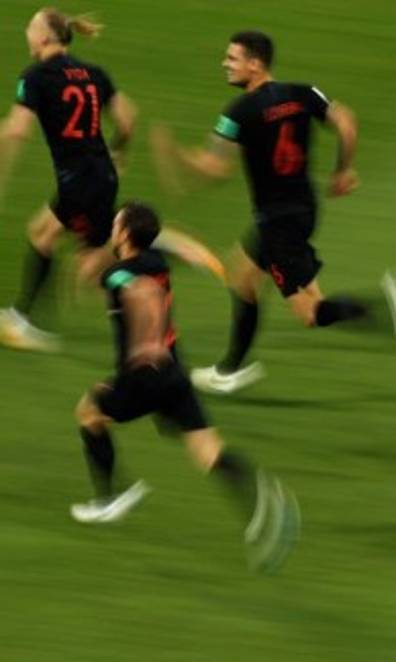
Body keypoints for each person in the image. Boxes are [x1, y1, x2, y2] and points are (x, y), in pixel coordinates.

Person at [151, 30, 396, 394]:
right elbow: (346, 121)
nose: (225, 64)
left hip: (277, 223)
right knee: (242, 277)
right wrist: (343, 170)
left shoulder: (238, 112)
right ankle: (231, 369)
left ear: (255, 64)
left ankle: (393, 310)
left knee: (311, 313)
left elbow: (215, 169)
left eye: (232, 58)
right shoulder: (303, 93)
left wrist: (175, 153)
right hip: (303, 208)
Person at [73, 201, 297, 574]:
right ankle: (259, 498)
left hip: (144, 376)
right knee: (208, 451)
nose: (111, 227)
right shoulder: (157, 260)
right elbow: (169, 244)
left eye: (116, 223)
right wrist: (199, 255)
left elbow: (138, 293)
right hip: (175, 374)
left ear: (126, 234)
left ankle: (111, 498)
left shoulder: (119, 276)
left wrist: (141, 351)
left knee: (88, 413)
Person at [0, 7, 135, 352]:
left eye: (30, 27)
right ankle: (22, 317)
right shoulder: (94, 73)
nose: (26, 33)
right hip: (100, 175)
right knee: (51, 239)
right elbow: (128, 119)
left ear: (45, 37)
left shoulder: (36, 76)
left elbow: (16, 130)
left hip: (78, 182)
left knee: (87, 268)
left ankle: (153, 256)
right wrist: (119, 152)